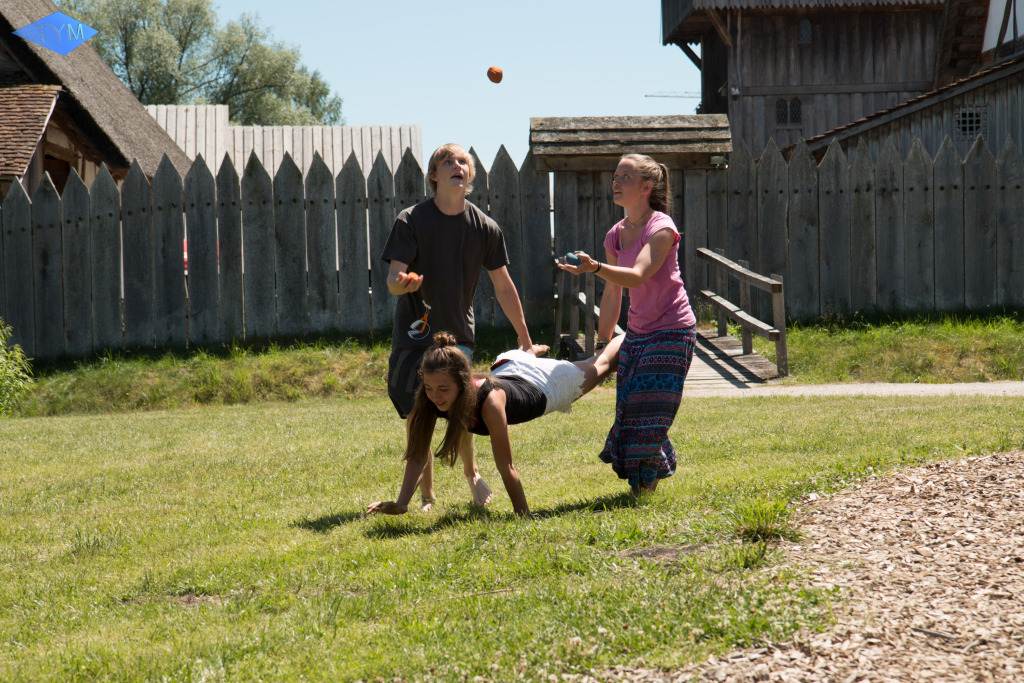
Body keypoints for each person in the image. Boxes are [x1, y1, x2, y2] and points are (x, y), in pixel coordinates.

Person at [381, 143, 547, 511]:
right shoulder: (411, 220)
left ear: (469, 175)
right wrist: (403, 282)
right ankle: (425, 495)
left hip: (459, 336)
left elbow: (503, 286)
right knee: (417, 415)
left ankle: (472, 476)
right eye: (447, 161)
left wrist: (525, 338)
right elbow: (392, 277)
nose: (456, 165)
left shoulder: (485, 227)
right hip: (415, 338)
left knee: (463, 412)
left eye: (463, 162)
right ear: (434, 175)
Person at [557, 153, 697, 497]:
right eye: (616, 176)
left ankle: (643, 491)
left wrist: (593, 269)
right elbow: (613, 293)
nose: (616, 182)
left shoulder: (661, 228)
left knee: (649, 411)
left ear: (646, 187)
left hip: (673, 330)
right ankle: (649, 475)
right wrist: (604, 345)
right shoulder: (615, 236)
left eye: (626, 177)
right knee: (631, 411)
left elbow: (636, 276)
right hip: (637, 333)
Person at [367, 331, 623, 518]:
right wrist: (401, 503)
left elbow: (507, 466)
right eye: (430, 387)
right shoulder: (428, 399)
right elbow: (417, 455)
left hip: (546, 386)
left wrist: (523, 516)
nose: (435, 396)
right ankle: (531, 353)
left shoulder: (489, 402)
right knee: (535, 360)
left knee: (602, 365)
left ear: (464, 383)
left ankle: (632, 333)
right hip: (509, 366)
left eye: (443, 389)